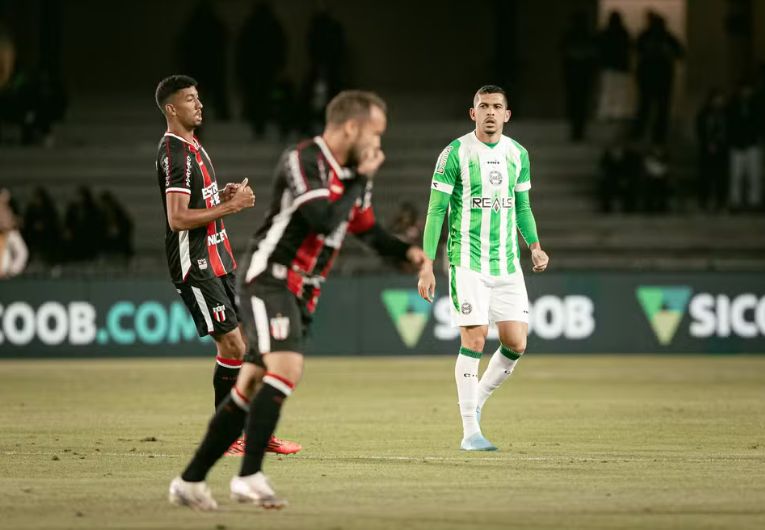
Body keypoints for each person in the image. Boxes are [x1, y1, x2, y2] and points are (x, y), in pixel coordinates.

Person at [168, 90, 427, 510]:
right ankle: (249, 477)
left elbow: (366, 229)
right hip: (270, 278)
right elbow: (323, 219)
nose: (379, 144)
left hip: (303, 289)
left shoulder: (354, 173)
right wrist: (360, 177)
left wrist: (406, 253)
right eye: (375, 133)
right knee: (287, 367)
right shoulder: (305, 159)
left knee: (249, 385)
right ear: (351, 127)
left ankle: (190, 481)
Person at [154, 74, 301, 458]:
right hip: (195, 264)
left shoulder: (195, 146)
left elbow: (196, 204)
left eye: (198, 97)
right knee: (234, 344)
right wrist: (232, 207)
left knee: (251, 347)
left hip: (218, 259)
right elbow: (178, 219)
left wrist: (219, 195)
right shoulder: (175, 154)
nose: (199, 104)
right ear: (172, 108)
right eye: (190, 99)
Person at [417, 85, 549, 452]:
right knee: (474, 339)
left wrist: (534, 247)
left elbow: (522, 207)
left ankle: (475, 403)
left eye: (497, 107)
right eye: (483, 106)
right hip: (467, 261)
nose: (490, 112)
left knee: (515, 342)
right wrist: (426, 264)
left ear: (507, 115)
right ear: (472, 113)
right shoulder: (455, 153)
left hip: (507, 263)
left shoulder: (518, 154)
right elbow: (436, 211)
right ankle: (469, 431)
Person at [632, 11, 683, 145]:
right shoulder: (662, 37)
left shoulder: (651, 36)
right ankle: (653, 135)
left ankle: (648, 134)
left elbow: (679, 53)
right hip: (657, 76)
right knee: (654, 108)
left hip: (656, 76)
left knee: (649, 107)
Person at [695, 89, 728, 212]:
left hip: (722, 150)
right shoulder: (704, 114)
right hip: (706, 150)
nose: (718, 101)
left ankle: (721, 202)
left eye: (720, 99)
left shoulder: (726, 114)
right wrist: (708, 143)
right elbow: (700, 130)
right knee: (705, 177)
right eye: (716, 98)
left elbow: (727, 131)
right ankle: (704, 201)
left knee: (721, 177)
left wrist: (719, 143)